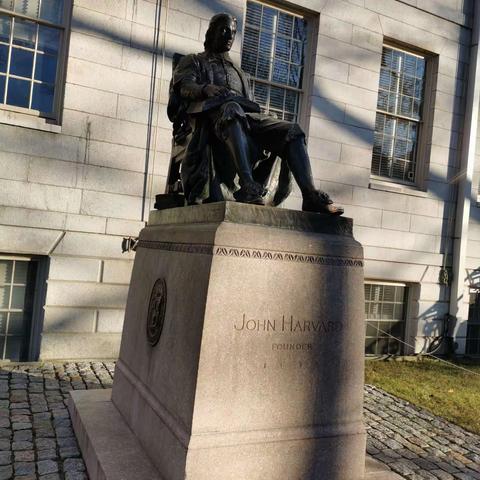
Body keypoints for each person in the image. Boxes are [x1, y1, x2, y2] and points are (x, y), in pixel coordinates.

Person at [167, 13, 343, 215]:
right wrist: (206, 89)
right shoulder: (194, 61)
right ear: (211, 31)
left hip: (244, 117)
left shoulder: (239, 72)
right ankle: (248, 184)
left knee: (292, 130)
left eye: (233, 32)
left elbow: (249, 104)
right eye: (223, 30)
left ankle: (310, 195)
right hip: (211, 117)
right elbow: (185, 87)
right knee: (231, 109)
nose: (229, 36)